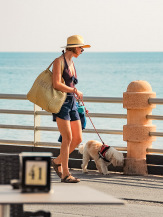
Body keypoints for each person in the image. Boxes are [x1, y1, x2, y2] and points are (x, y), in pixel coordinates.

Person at [51, 35, 91, 183]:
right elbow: (56, 84)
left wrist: (76, 94)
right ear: (74, 47)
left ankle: (56, 162)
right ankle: (66, 174)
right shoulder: (58, 61)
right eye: (81, 48)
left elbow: (71, 85)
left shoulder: (72, 63)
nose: (82, 50)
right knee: (67, 139)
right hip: (61, 103)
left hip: (73, 103)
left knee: (78, 138)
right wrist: (74, 91)